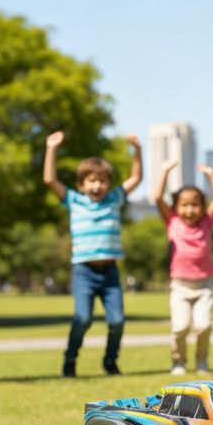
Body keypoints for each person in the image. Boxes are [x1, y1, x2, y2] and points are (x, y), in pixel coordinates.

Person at [43, 130, 143, 377]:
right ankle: (70, 359)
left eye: (102, 181)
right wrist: (52, 148)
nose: (97, 185)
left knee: (117, 321)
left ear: (109, 184)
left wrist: (137, 150)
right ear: (81, 184)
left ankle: (110, 361)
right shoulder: (74, 201)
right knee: (82, 318)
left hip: (109, 272)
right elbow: (49, 180)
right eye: (91, 180)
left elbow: (136, 178)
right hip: (84, 272)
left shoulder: (115, 199)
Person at [152, 160, 213, 375]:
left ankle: (202, 361)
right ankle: (178, 362)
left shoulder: (207, 222)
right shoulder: (172, 222)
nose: (189, 210)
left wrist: (210, 174)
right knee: (180, 327)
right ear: (176, 207)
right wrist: (165, 171)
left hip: (204, 286)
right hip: (180, 286)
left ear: (202, 206)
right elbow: (157, 197)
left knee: (203, 326)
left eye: (195, 205)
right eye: (184, 205)